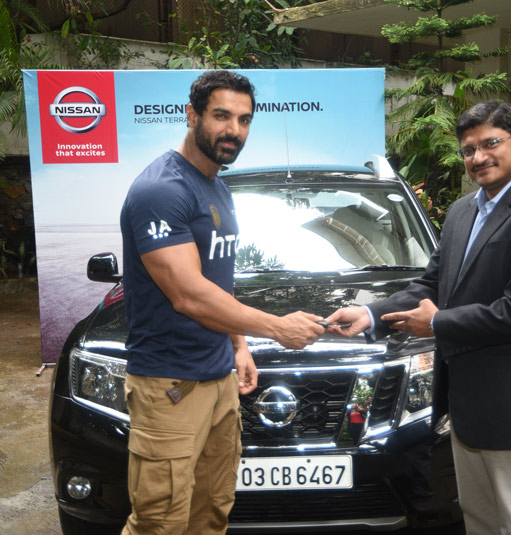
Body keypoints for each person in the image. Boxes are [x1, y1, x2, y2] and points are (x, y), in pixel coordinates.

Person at [325, 101, 511, 534]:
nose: (478, 157)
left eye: (490, 144)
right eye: (468, 150)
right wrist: (371, 313)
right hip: (463, 406)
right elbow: (432, 283)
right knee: (480, 521)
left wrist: (437, 324)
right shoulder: (463, 212)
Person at [119, 70, 325, 535]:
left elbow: (218, 281)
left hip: (218, 380)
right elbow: (189, 294)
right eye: (221, 116)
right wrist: (276, 327)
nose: (234, 130)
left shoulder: (217, 186)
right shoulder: (161, 190)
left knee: (211, 513)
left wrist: (239, 345)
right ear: (191, 115)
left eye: (244, 120)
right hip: (170, 385)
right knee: (159, 524)